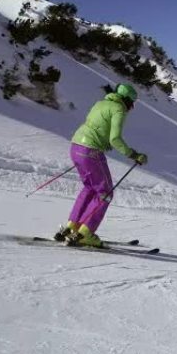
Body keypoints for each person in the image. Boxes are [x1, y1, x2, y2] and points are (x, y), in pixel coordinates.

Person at [54, 83, 147, 247]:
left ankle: (72, 226)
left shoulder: (100, 103)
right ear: (126, 100)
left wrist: (102, 143)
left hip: (76, 147)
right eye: (132, 103)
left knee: (90, 188)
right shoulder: (119, 109)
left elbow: (96, 127)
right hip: (91, 152)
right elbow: (115, 139)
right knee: (105, 193)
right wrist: (134, 155)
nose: (131, 107)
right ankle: (85, 233)